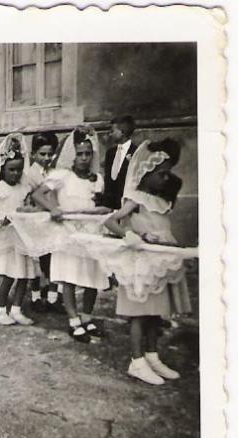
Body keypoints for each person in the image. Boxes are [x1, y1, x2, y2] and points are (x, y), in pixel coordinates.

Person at [103, 138, 190, 385]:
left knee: (155, 313)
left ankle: (152, 355)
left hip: (160, 262)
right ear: (145, 172)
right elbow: (111, 221)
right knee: (139, 314)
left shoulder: (162, 201)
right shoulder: (135, 199)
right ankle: (136, 360)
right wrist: (131, 235)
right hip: (140, 265)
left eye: (168, 173)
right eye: (162, 173)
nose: (166, 178)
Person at [31, 127, 111, 342]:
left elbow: (96, 204)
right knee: (70, 277)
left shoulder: (97, 179)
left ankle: (87, 317)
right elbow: (38, 194)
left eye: (87, 153)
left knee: (92, 277)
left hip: (92, 232)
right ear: (72, 155)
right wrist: (52, 208)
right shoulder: (62, 176)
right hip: (69, 233)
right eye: (79, 153)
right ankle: (73, 320)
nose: (84, 158)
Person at [0, 135, 39, 325]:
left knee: (24, 275)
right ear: (2, 168)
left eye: (19, 170)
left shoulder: (24, 188)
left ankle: (16, 309)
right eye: (11, 170)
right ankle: (0, 309)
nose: (15, 174)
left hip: (22, 236)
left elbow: (26, 206)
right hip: (5, 238)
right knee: (9, 275)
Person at [25, 131, 63, 313]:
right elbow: (30, 198)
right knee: (35, 259)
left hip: (51, 221)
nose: (47, 158)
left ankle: (52, 297)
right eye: (42, 154)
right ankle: (35, 296)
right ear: (33, 154)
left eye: (50, 154)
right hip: (35, 220)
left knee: (52, 257)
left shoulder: (54, 172)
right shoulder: (30, 174)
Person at [102, 115, 138, 210]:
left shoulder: (136, 152)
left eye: (112, 131)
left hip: (127, 203)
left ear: (122, 132)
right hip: (111, 204)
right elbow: (108, 178)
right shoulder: (110, 153)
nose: (110, 134)